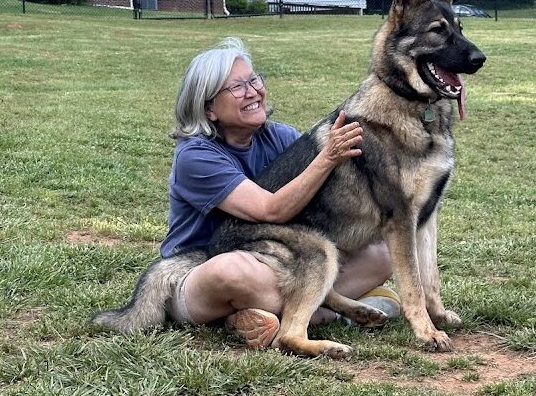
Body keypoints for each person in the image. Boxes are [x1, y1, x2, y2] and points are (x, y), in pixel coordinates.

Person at [159, 37, 401, 349]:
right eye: (237, 87)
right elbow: (269, 211)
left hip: (277, 259)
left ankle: (261, 317)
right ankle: (329, 314)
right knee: (233, 271)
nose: (253, 91)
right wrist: (326, 157)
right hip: (201, 267)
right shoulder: (195, 156)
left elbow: (324, 197)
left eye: (254, 80)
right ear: (209, 108)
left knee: (380, 254)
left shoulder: (280, 137)